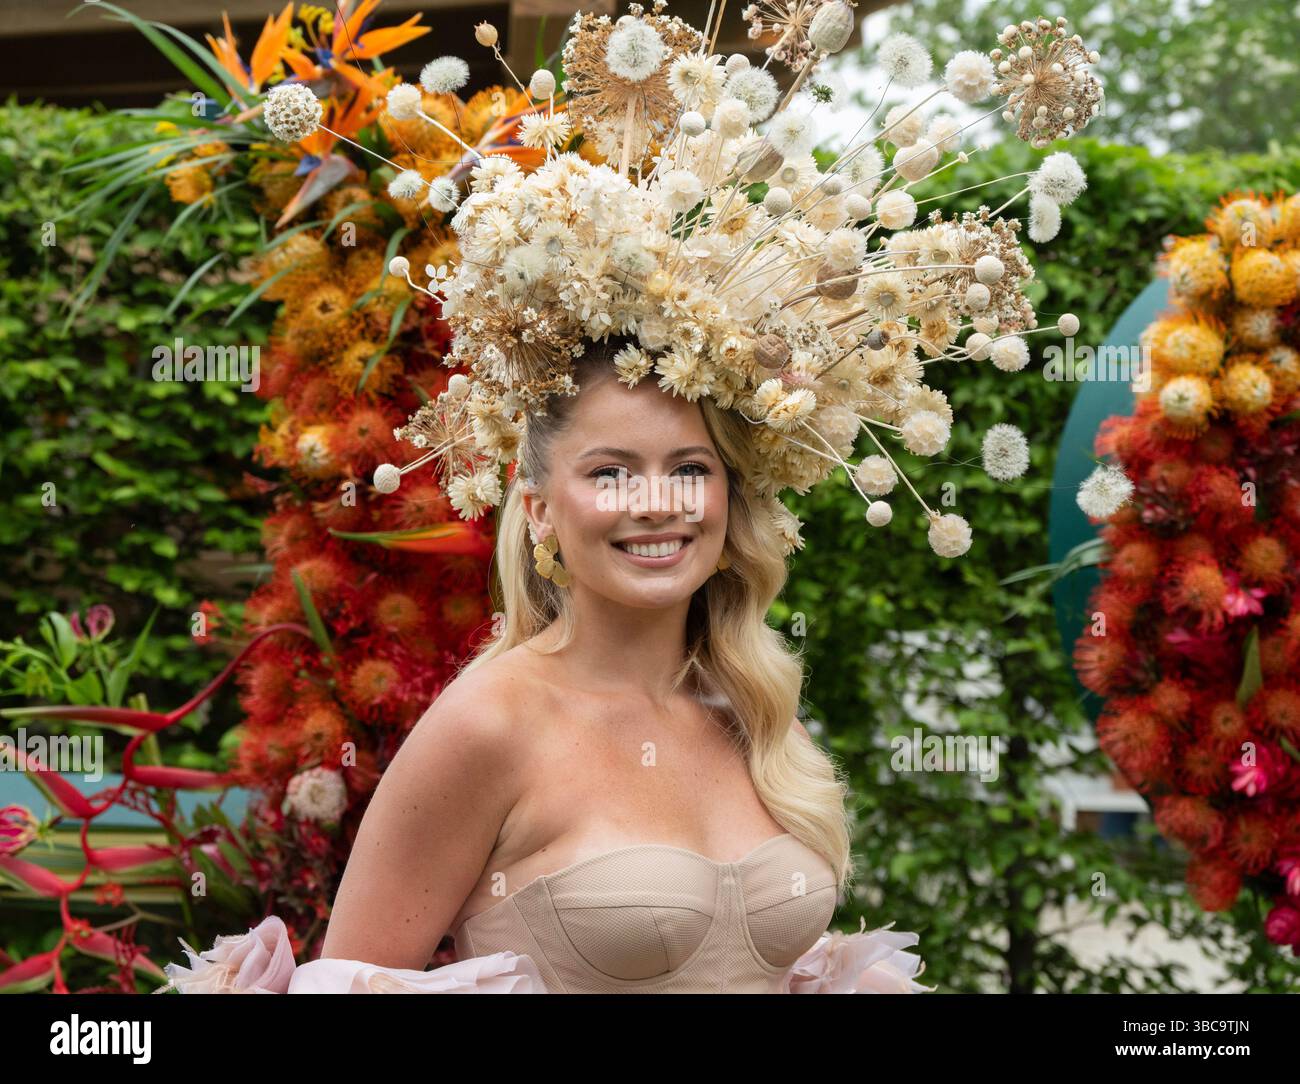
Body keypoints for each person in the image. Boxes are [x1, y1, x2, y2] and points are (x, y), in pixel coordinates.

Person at [161, 339, 932, 994]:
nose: (659, 502)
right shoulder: (488, 724)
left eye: (691, 467)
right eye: (610, 473)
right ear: (537, 508)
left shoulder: (758, 710)